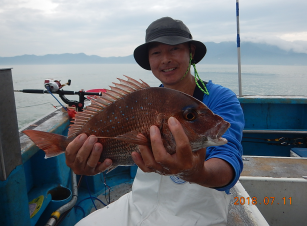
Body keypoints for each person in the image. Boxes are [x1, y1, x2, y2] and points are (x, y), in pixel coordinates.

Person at [66, 17, 245, 226]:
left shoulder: (220, 98)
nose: (165, 59)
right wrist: (85, 160)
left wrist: (197, 171)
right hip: (140, 203)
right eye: (156, 52)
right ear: (149, 61)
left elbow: (228, 160)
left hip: (197, 213)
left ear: (191, 53)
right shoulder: (144, 101)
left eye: (175, 49)